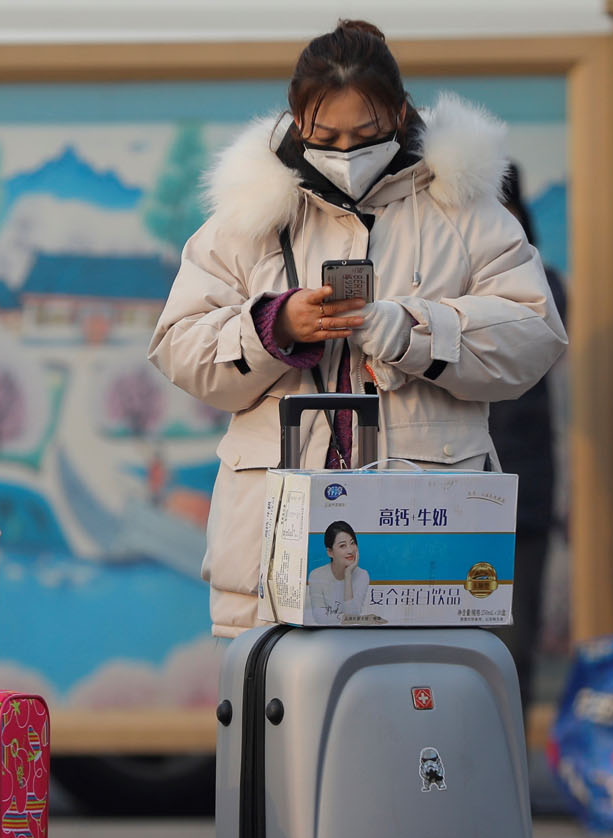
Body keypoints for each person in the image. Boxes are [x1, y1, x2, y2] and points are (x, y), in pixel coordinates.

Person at [149, 18, 567, 637]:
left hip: (425, 561)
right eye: (327, 135)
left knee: (421, 721)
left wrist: (411, 331)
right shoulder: (247, 218)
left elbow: (535, 334)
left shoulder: (464, 208)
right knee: (287, 725)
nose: (346, 152)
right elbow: (177, 345)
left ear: (400, 114)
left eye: (366, 133)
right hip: (276, 551)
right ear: (296, 123)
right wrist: (275, 325)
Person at [489, 162, 567, 709]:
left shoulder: (542, 284)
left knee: (513, 652)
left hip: (521, 503)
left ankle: (508, 783)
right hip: (447, 494)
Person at [306, 520, 376, 623]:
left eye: (352, 543)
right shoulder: (316, 575)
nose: (350, 550)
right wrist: (342, 618)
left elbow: (353, 617)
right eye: (343, 546)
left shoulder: (362, 575)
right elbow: (319, 618)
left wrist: (348, 575)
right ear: (330, 552)